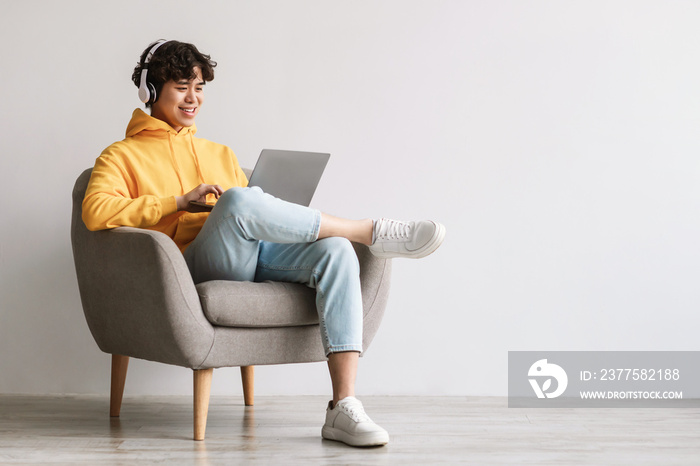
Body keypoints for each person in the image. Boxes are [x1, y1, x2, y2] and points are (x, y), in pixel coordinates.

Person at [82, 39, 445, 447]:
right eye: (182, 85)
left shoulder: (220, 153)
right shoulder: (122, 155)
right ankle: (369, 231)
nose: (193, 98)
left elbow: (250, 217)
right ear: (150, 91)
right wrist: (179, 202)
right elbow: (95, 210)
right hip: (188, 266)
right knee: (237, 200)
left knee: (337, 251)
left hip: (248, 253)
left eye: (199, 87)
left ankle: (343, 407)